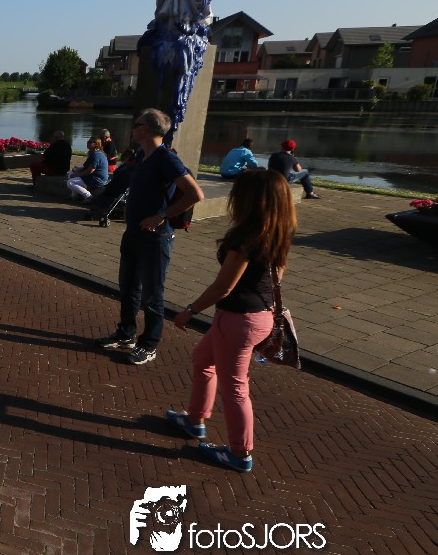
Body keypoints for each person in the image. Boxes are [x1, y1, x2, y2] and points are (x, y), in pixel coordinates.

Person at [166, 169, 296, 473]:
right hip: (259, 315)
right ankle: (195, 420)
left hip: (238, 320)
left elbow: (223, 287)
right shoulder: (278, 232)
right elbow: (278, 275)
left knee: (235, 388)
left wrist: (190, 311)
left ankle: (240, 452)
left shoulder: (246, 238)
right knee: (203, 359)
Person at [96, 108, 205, 365]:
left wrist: (162, 215)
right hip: (133, 233)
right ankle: (126, 334)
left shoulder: (166, 159)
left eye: (136, 124)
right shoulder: (142, 156)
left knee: (152, 294)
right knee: (128, 287)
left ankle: (149, 345)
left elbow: (195, 194)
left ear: (145, 129)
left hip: (155, 238)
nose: (132, 128)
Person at [67, 137, 109, 201]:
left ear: (96, 144)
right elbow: (89, 167)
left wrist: (77, 175)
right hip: (94, 176)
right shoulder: (95, 153)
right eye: (88, 141)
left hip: (97, 179)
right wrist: (78, 169)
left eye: (90, 142)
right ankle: (74, 196)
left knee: (70, 182)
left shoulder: (96, 155)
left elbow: (90, 171)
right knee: (71, 172)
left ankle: (88, 197)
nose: (87, 143)